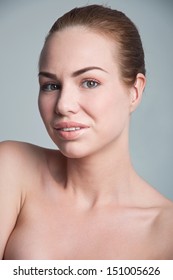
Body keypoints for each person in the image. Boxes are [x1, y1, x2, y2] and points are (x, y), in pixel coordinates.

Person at [0, 4, 173, 260]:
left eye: (89, 82)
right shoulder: (12, 168)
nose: (63, 105)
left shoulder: (166, 232)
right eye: (51, 85)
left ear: (134, 92)